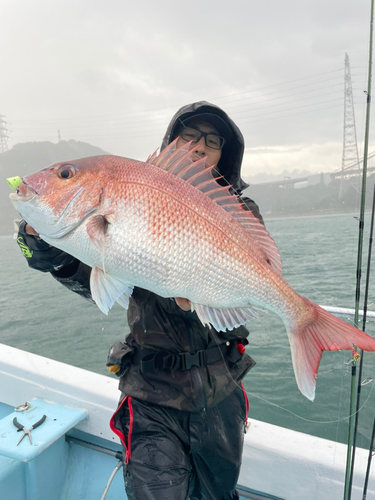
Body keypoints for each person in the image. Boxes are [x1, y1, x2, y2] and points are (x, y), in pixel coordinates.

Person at [16, 101, 263, 500]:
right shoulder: (140, 200)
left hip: (221, 391)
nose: (199, 148)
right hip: (152, 390)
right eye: (189, 136)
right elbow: (100, 276)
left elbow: (242, 305)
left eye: (213, 141)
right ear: (170, 141)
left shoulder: (240, 213)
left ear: (225, 154)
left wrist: (199, 296)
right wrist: (52, 258)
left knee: (219, 494)